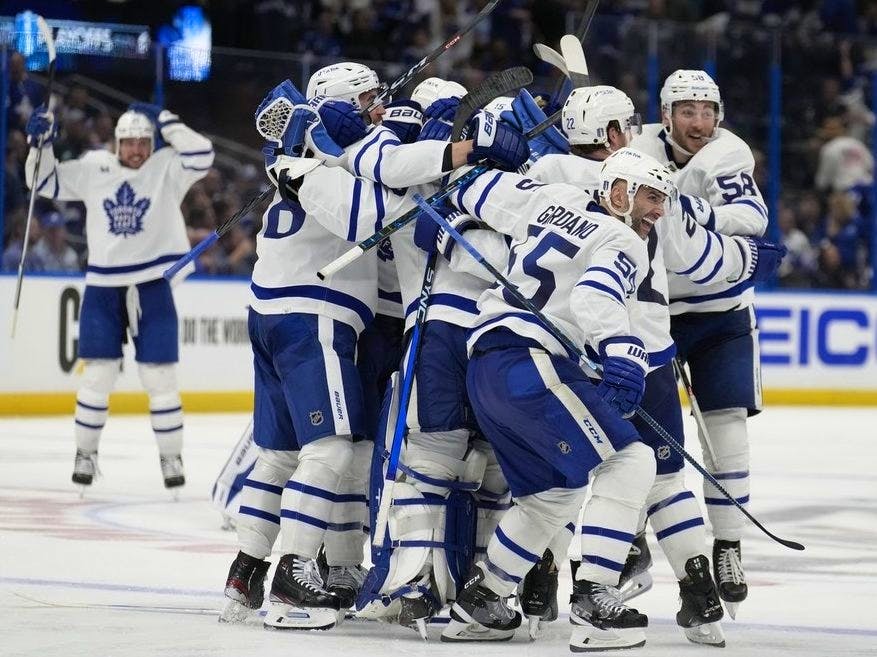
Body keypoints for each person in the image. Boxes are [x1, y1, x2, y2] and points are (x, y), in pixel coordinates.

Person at [427, 147, 681, 648]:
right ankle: (595, 599)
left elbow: (470, 187)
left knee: (554, 494)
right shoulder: (622, 240)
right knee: (630, 462)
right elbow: (593, 296)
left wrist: (447, 220)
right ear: (619, 192)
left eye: (664, 200)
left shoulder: (548, 199)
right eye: (651, 196)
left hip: (486, 368)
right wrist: (624, 351)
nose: (658, 210)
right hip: (533, 362)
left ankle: (482, 601)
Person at [631, 69, 771, 617]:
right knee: (642, 437)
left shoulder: (729, 155)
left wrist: (687, 209)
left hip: (719, 314)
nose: (699, 122)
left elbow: (752, 218)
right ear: (665, 116)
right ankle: (629, 534)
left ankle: (729, 544)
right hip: (652, 314)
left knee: (725, 426)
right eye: (686, 111)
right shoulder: (635, 144)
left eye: (707, 110)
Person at [24, 101, 214, 491]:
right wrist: (39, 145)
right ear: (117, 144)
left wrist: (166, 118)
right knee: (98, 375)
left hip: (152, 283)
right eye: (129, 143)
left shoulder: (166, 166)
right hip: (104, 286)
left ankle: (170, 456)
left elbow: (202, 154)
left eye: (144, 141)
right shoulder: (95, 167)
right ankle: (86, 454)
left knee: (160, 377)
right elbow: (41, 182)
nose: (137, 150)